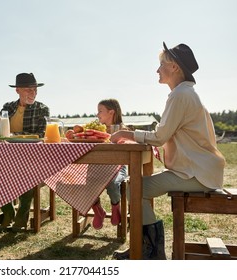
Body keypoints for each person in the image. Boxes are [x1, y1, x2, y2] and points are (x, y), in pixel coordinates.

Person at [110, 42, 226, 260]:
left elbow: (160, 137)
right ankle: (144, 246)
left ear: (174, 67)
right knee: (138, 186)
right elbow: (165, 132)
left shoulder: (180, 95)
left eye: (161, 64)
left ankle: (149, 250)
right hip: (200, 171)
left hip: (197, 174)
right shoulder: (185, 93)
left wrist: (126, 134)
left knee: (136, 187)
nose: (157, 70)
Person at [0, 72, 50, 231]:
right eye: (28, 90)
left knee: (26, 175)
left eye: (34, 89)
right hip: (5, 158)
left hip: (30, 158)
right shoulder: (8, 107)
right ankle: (8, 211)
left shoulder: (42, 109)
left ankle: (21, 218)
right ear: (17, 90)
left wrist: (16, 137)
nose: (32, 93)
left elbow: (42, 134)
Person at [91, 99, 129, 230]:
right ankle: (98, 211)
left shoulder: (123, 130)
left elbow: (130, 147)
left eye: (100, 111)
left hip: (119, 166)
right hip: (99, 166)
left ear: (111, 112)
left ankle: (115, 207)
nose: (97, 114)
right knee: (87, 181)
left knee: (112, 183)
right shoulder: (95, 131)